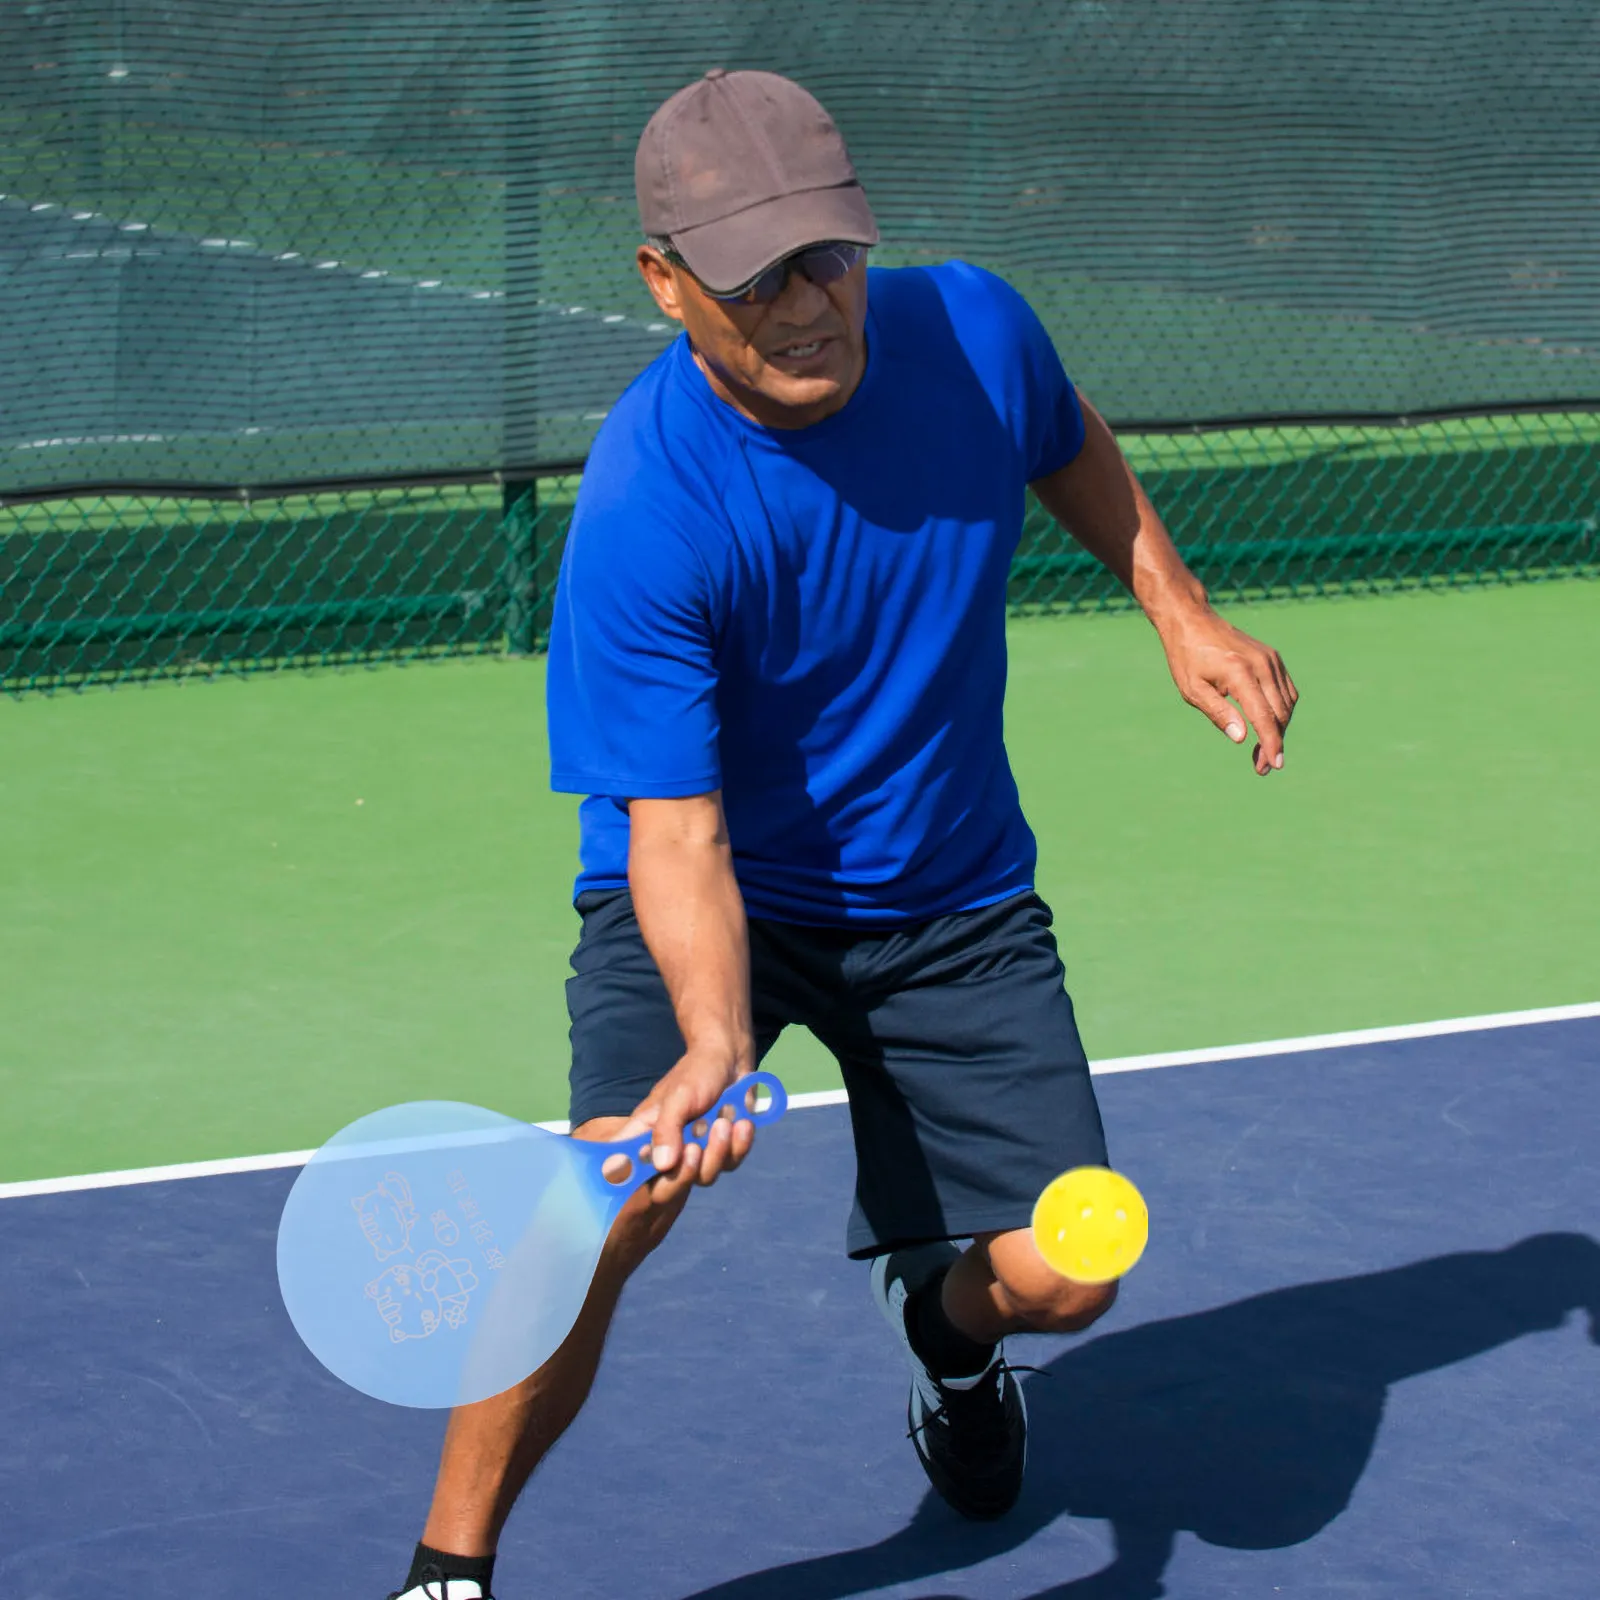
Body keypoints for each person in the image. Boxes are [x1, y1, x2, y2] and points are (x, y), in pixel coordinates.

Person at [389, 67, 1297, 1600]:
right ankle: (446, 1568)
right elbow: (675, 835)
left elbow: (1060, 432)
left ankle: (946, 1350)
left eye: (830, 256)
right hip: (714, 886)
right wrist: (709, 1041)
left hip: (949, 897)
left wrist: (1173, 605)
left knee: (1069, 1276)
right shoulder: (649, 502)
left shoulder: (969, 327)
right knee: (608, 1201)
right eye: (756, 281)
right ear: (665, 285)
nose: (811, 306)